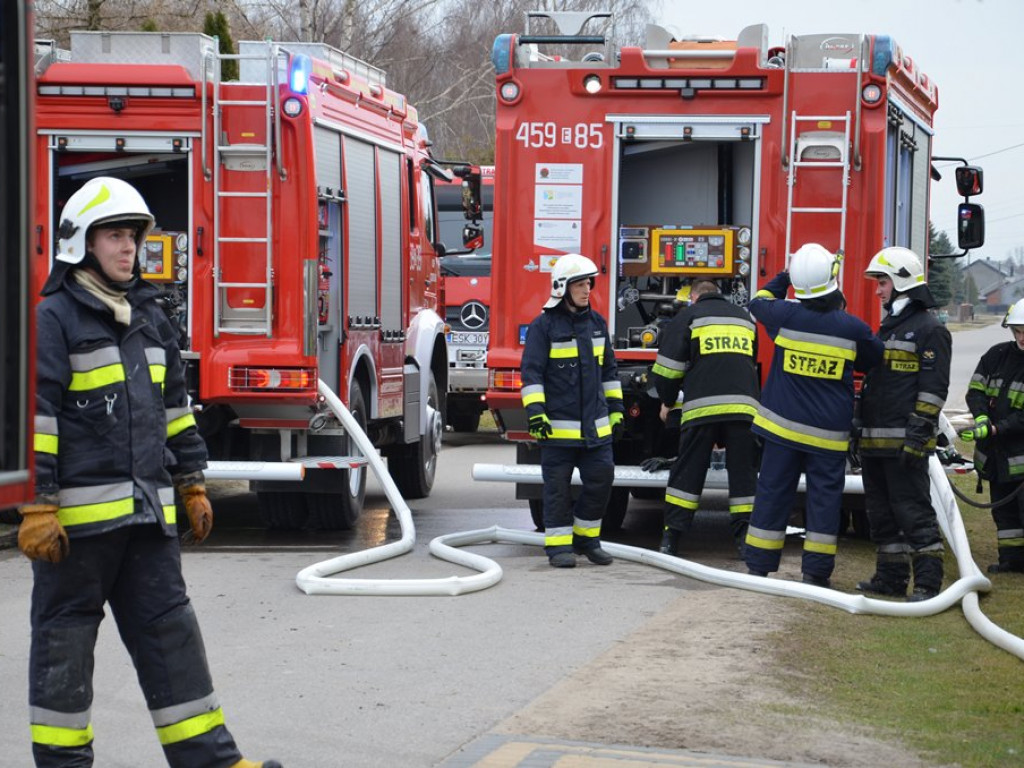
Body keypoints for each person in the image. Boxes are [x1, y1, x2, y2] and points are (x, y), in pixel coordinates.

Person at [18, 176, 282, 768]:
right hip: (75, 536)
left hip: (147, 521)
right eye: (114, 235)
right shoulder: (52, 320)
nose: (127, 248)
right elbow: (34, 420)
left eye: (133, 236)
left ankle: (213, 762)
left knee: (173, 640)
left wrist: (192, 482)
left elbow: (175, 412)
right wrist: (38, 504)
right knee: (65, 652)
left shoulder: (150, 317)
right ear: (81, 244)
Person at [743, 243, 883, 587]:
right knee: (824, 504)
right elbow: (872, 359)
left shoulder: (784, 317)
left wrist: (786, 276)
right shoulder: (853, 328)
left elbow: (758, 301)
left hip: (781, 430)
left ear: (800, 284)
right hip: (827, 436)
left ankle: (759, 567)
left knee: (772, 495)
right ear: (832, 280)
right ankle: (816, 575)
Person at [857, 246, 951, 601]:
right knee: (881, 515)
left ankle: (927, 584)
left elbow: (932, 390)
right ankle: (891, 580)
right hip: (876, 442)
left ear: (900, 281)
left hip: (905, 443)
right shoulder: (890, 325)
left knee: (913, 513)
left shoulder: (930, 330)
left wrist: (917, 435)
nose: (878, 289)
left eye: (882, 282)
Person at [521, 253, 625, 568]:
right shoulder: (543, 326)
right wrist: (536, 413)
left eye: (588, 283)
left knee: (602, 478)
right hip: (557, 430)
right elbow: (532, 374)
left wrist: (617, 410)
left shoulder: (596, 324)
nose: (586, 290)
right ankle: (558, 548)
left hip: (595, 429)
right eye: (579, 284)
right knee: (556, 491)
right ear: (561, 287)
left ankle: (586, 540)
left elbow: (609, 372)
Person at [650, 279, 760, 556]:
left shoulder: (688, 317)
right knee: (743, 474)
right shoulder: (745, 318)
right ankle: (745, 539)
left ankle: (671, 538)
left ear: (694, 298)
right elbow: (750, 360)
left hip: (702, 409)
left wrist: (666, 402)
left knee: (688, 471)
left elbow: (667, 371)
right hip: (744, 409)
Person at [959, 302, 1024, 574]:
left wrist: (997, 429)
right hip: (998, 458)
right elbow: (975, 390)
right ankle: (1012, 561)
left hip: (1018, 453)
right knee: (1004, 512)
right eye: (1018, 331)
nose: (1022, 337)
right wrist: (982, 418)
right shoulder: (996, 356)